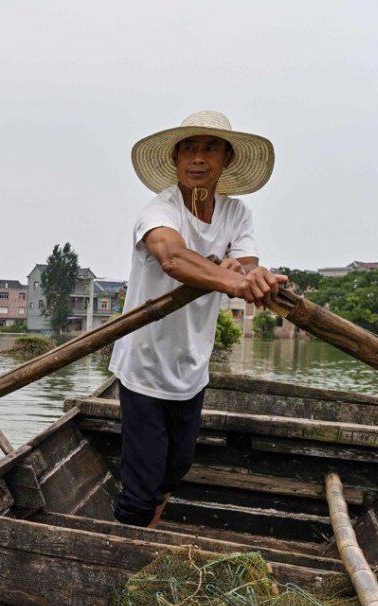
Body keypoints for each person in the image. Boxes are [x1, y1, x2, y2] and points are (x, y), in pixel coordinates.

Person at [108, 110, 287, 527]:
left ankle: (146, 533)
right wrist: (235, 280)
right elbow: (171, 257)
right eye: (189, 149)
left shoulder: (235, 213)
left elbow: (245, 266)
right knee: (142, 485)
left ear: (226, 161)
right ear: (175, 160)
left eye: (210, 149)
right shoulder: (159, 210)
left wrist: (251, 276)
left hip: (192, 366)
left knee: (176, 469)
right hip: (145, 365)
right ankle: (125, 556)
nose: (198, 158)